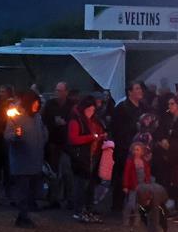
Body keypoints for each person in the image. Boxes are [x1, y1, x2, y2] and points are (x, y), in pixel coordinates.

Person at [4, 91, 47, 228]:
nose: (37, 106)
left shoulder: (38, 118)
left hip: (35, 159)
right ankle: (22, 217)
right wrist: (16, 137)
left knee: (30, 191)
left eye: (38, 103)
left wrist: (43, 139)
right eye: (34, 103)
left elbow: (43, 132)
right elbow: (8, 135)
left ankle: (24, 215)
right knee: (23, 191)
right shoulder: (17, 117)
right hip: (21, 162)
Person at [68, 95, 106, 223]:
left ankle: (87, 209)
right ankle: (78, 210)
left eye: (93, 110)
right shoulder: (76, 121)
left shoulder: (90, 121)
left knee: (89, 185)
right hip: (81, 158)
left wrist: (99, 137)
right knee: (81, 184)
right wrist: (91, 137)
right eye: (89, 110)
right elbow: (74, 139)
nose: (91, 113)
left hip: (91, 156)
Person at [111, 81, 146, 212]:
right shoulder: (121, 108)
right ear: (130, 92)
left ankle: (136, 204)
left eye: (140, 88)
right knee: (122, 176)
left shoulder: (143, 107)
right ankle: (118, 205)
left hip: (140, 148)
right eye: (137, 89)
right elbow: (116, 129)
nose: (140, 91)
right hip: (125, 148)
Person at [41, 81, 74, 209]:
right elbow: (44, 121)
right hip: (53, 141)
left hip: (66, 143)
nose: (57, 93)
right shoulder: (50, 105)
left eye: (60, 91)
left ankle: (69, 199)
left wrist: (66, 123)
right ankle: (53, 199)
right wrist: (54, 123)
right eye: (56, 90)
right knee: (53, 173)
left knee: (67, 172)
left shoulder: (71, 106)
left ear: (66, 92)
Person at [122, 142, 152, 226]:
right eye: (134, 149)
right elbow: (126, 174)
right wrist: (125, 186)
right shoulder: (130, 162)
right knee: (130, 203)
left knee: (139, 204)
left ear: (142, 151)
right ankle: (126, 219)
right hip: (133, 186)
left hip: (142, 186)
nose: (135, 151)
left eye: (138, 150)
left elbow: (147, 174)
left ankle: (137, 220)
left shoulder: (144, 162)